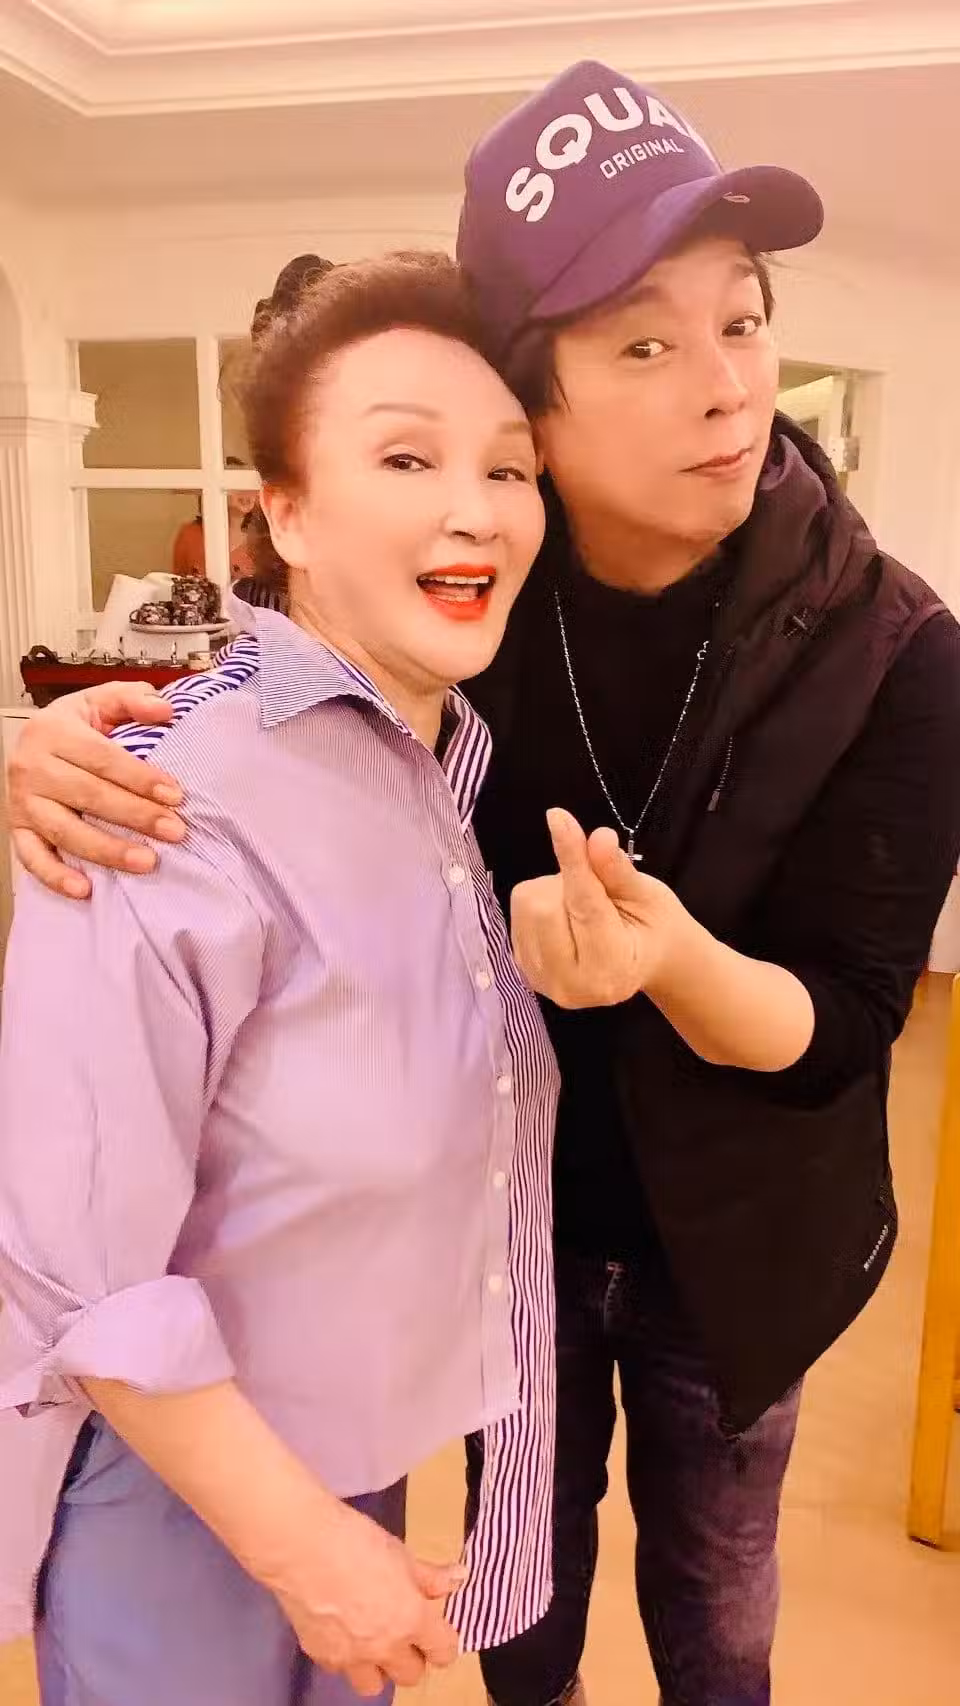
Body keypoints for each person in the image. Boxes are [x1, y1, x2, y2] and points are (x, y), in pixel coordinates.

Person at [9, 60, 960, 1706]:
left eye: (743, 322)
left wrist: (662, 957)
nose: (728, 390)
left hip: (738, 1229)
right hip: (473, 1254)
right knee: (523, 1615)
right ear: (546, 403)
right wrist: (55, 740)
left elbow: (850, 1017)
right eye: (643, 346)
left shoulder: (890, 645)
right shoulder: (465, 612)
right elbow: (264, 699)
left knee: (719, 1603)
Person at [0, 252, 562, 1706]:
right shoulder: (163, 795)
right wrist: (299, 1542)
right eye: (406, 456)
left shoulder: (434, 770)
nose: (474, 506)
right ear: (289, 516)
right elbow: (82, 1269)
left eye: (508, 467)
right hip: (185, 1503)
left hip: (354, 1459)